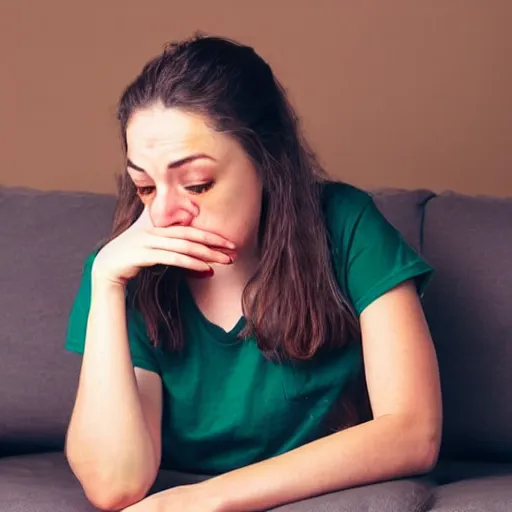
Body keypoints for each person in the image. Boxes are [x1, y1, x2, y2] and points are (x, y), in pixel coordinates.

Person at [64, 34, 442, 512]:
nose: (162, 213)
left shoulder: (346, 224)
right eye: (144, 186)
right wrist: (106, 284)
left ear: (267, 163)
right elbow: (115, 485)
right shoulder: (123, 268)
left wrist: (205, 501)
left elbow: (413, 431)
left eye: (197, 184)